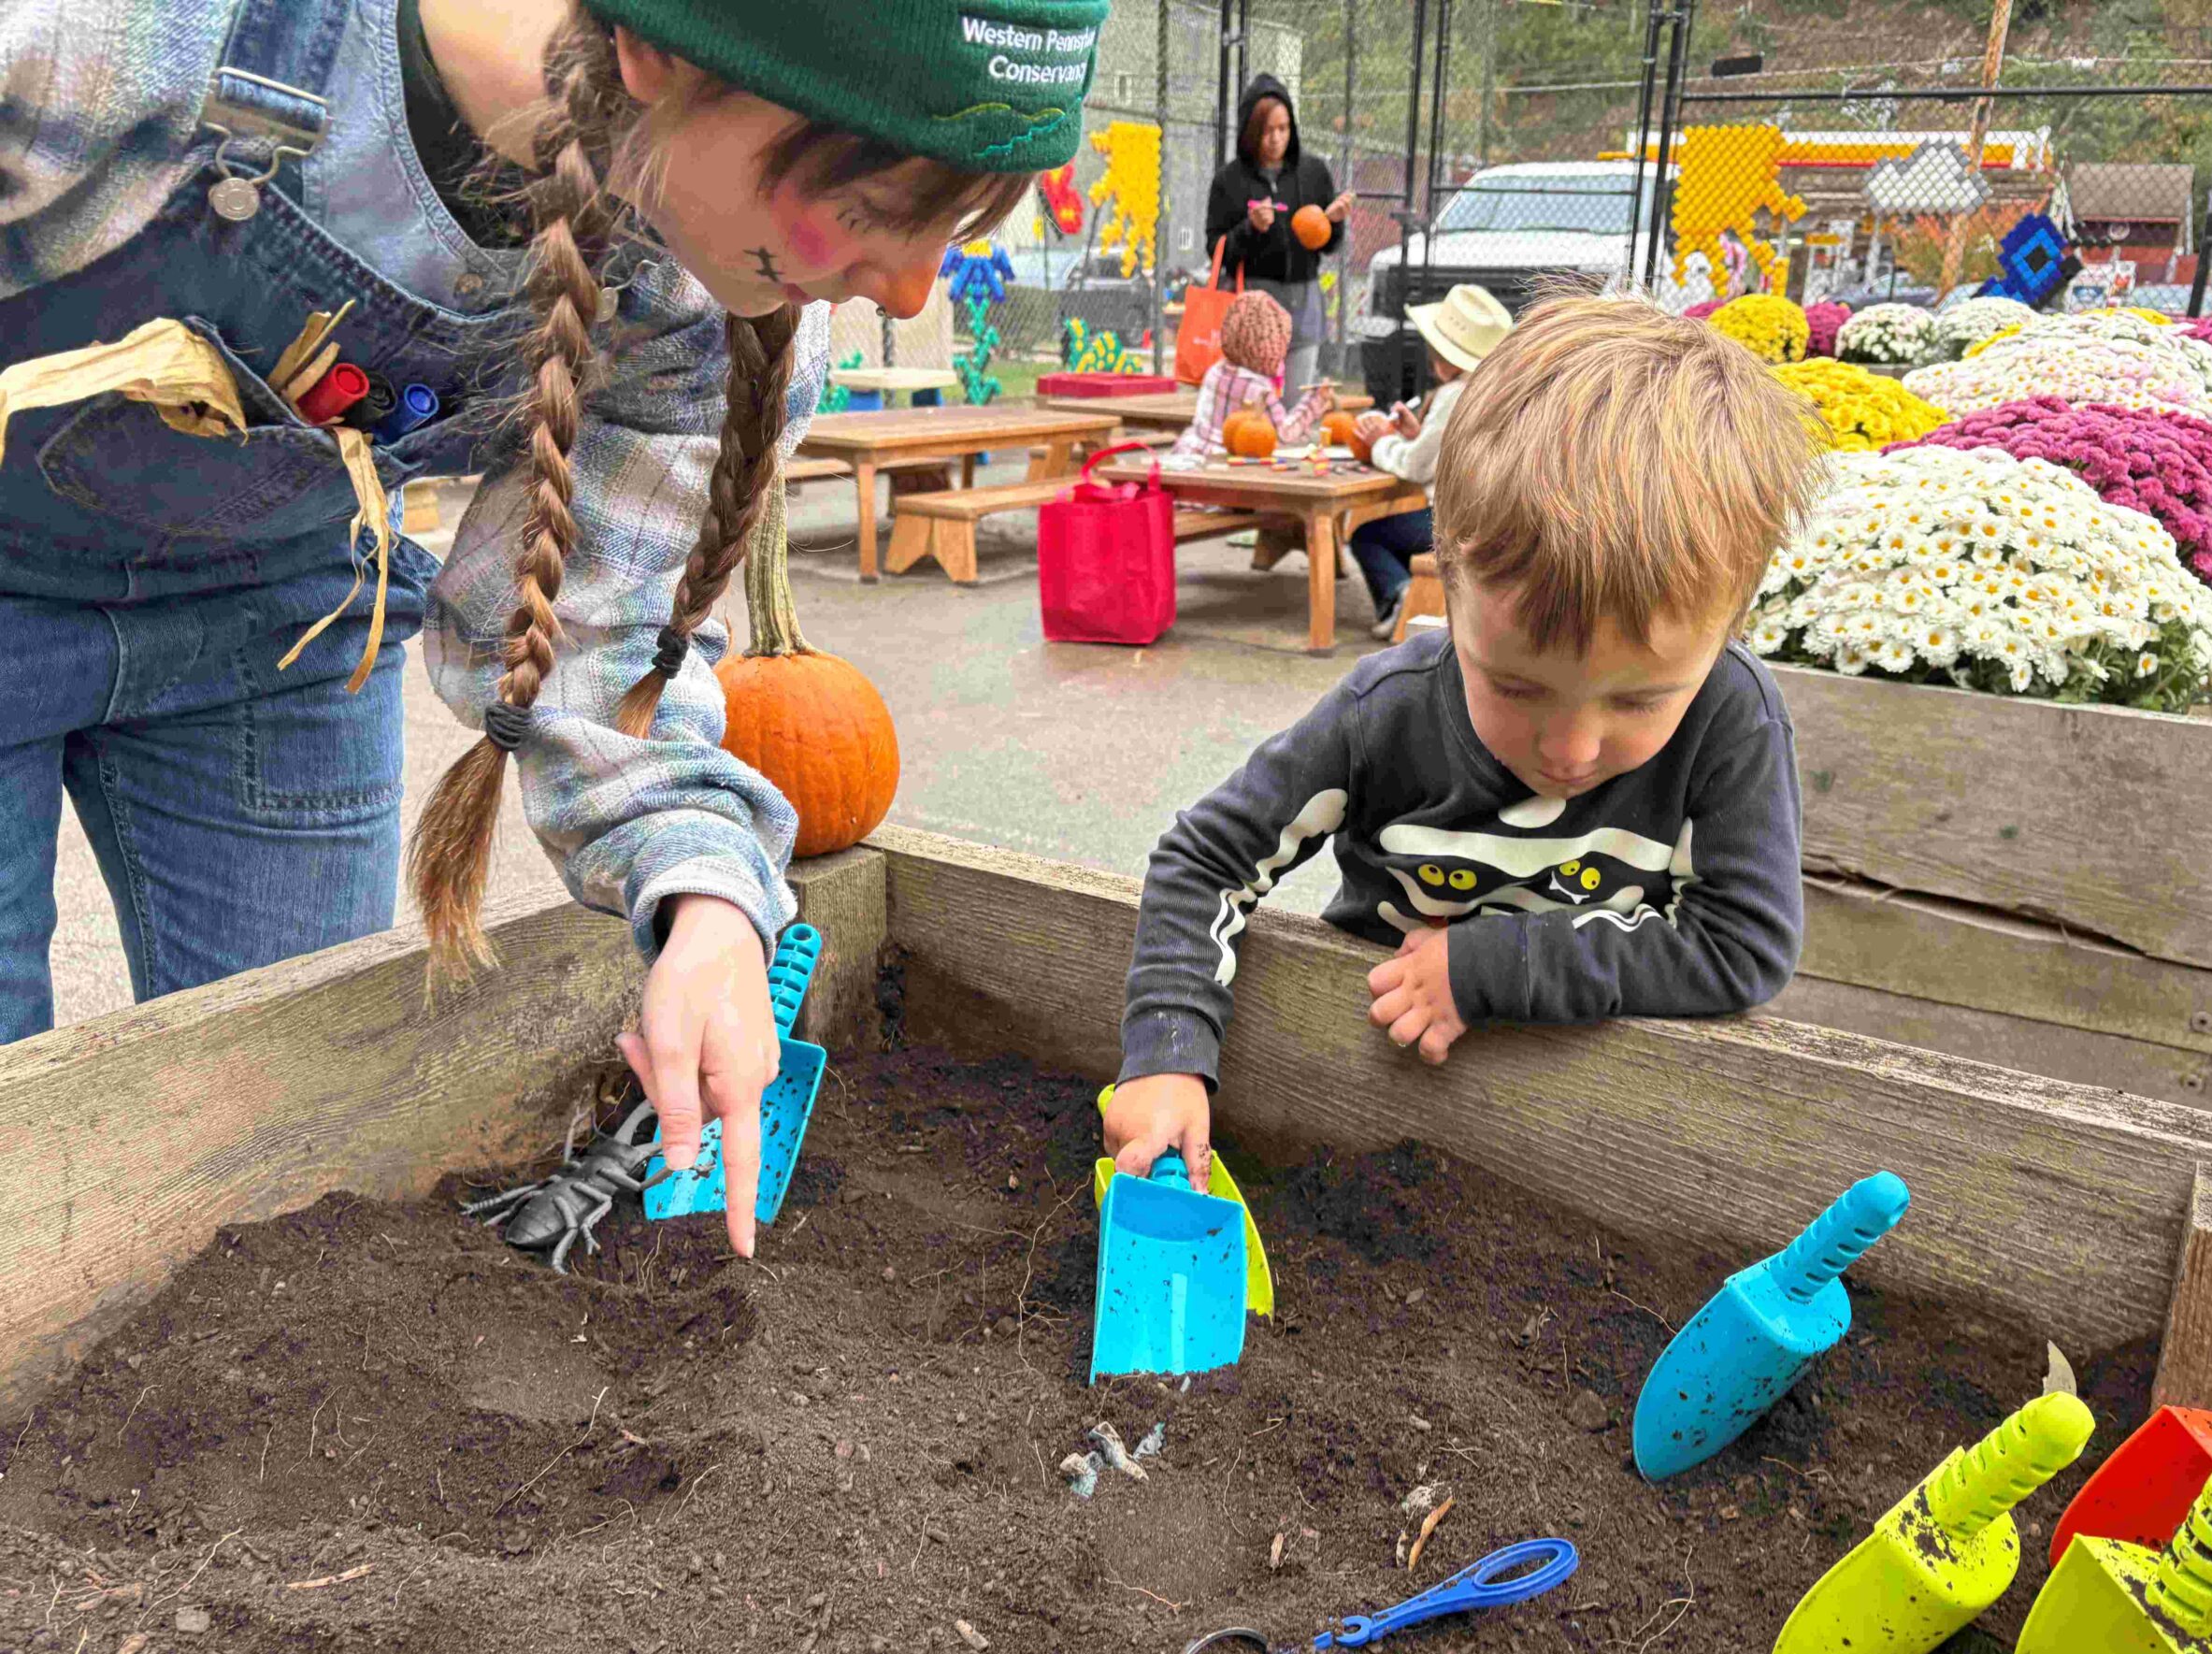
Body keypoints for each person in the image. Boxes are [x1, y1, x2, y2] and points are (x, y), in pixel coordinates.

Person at [0, 0, 1101, 1252]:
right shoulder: (146, 33)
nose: (907, 289)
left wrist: (707, 906)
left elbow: (610, 641)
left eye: (949, 228)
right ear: (660, 54)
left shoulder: (698, 310)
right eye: (868, 208)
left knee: (283, 1179)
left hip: (286, 628)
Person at [1102, 295, 1825, 1188]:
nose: (1569, 749)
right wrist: (1168, 1053)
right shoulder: (1388, 710)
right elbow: (1204, 860)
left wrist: (1495, 968)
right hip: (1365, 1074)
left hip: (1596, 1128)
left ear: (1727, 629)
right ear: (1449, 577)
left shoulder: (1730, 718)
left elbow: (1742, 947)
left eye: (1637, 702)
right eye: (1518, 687)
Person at [1349, 283, 1513, 640]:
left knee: (1367, 536)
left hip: (1454, 522)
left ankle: (1399, 596)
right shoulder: (1496, 392)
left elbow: (1415, 467)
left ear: (1445, 356)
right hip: (1495, 516)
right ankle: (1404, 594)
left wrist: (1381, 443)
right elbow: (1442, 450)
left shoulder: (1454, 395)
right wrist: (1416, 434)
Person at [1204, 75, 1353, 394]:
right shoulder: (1229, 181)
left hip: (1303, 304)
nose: (1275, 138)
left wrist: (1334, 222)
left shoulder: (1313, 173)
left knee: (1293, 405)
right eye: (1266, 131)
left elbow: (1329, 246)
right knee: (1250, 408)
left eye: (1283, 129)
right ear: (1249, 132)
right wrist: (1249, 229)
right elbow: (1215, 247)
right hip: (1252, 310)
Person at [1171, 291, 1335, 460]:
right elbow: (1284, 434)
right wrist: (1315, 400)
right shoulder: (1259, 389)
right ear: (1271, 348)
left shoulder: (1215, 372)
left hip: (1192, 453)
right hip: (1229, 462)